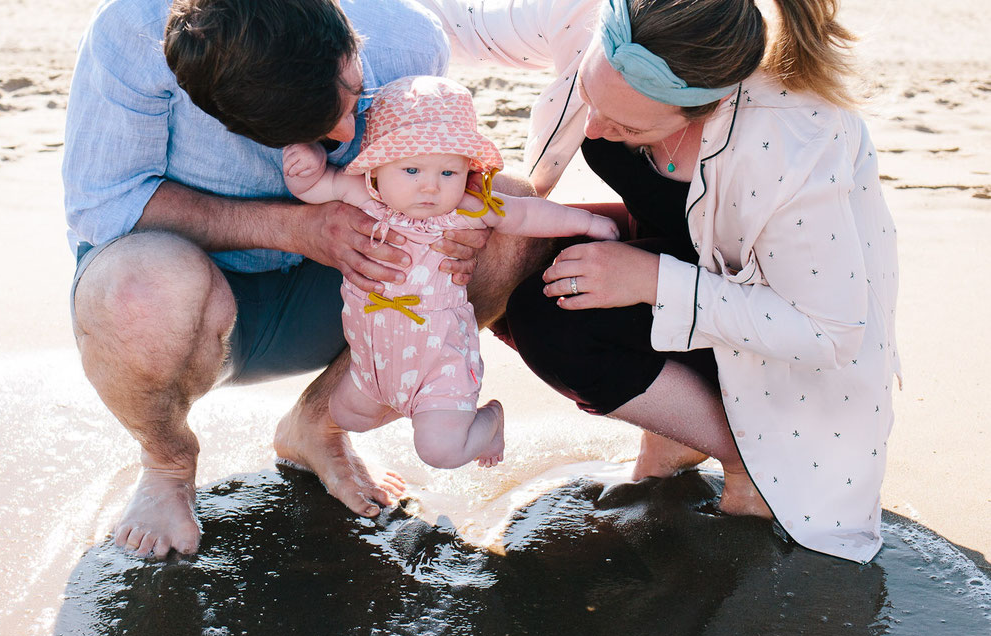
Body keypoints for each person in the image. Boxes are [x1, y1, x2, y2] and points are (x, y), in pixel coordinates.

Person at [62, 0, 552, 558]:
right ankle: (167, 464)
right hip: (189, 304)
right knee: (134, 291)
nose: (347, 130)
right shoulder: (133, 29)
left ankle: (317, 427)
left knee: (506, 212)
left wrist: (454, 217)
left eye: (353, 98)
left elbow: (439, 170)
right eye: (317, 130)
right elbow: (106, 206)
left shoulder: (406, 32)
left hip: (348, 292)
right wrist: (297, 227)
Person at [476, 0, 897, 564]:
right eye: (591, 100)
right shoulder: (606, 33)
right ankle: (678, 430)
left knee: (550, 322)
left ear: (710, 106)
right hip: (685, 267)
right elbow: (460, 22)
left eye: (627, 128)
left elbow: (830, 331)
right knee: (490, 242)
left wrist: (653, 279)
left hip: (782, 341)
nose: (595, 128)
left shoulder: (790, 141)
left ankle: (748, 455)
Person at [282, 76, 618, 470]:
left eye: (448, 173)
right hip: (373, 363)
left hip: (439, 360)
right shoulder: (364, 197)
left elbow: (527, 213)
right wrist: (303, 170)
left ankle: (489, 420)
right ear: (376, 169)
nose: (430, 188)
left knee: (441, 451)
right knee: (347, 415)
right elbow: (319, 186)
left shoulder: (465, 210)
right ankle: (407, 407)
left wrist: (588, 222)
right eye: (411, 170)